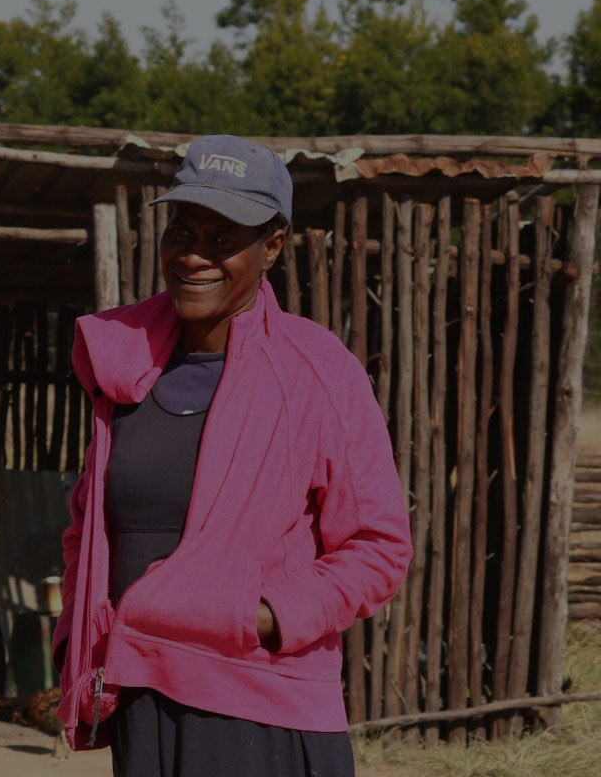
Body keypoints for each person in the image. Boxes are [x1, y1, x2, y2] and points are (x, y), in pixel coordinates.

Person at [53, 135, 413, 776]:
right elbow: (90, 525)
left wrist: (266, 617)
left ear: (272, 245)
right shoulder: (126, 370)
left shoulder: (315, 372)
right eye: (181, 231)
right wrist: (75, 638)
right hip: (143, 699)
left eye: (223, 240)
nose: (193, 256)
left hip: (261, 704)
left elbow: (378, 546)